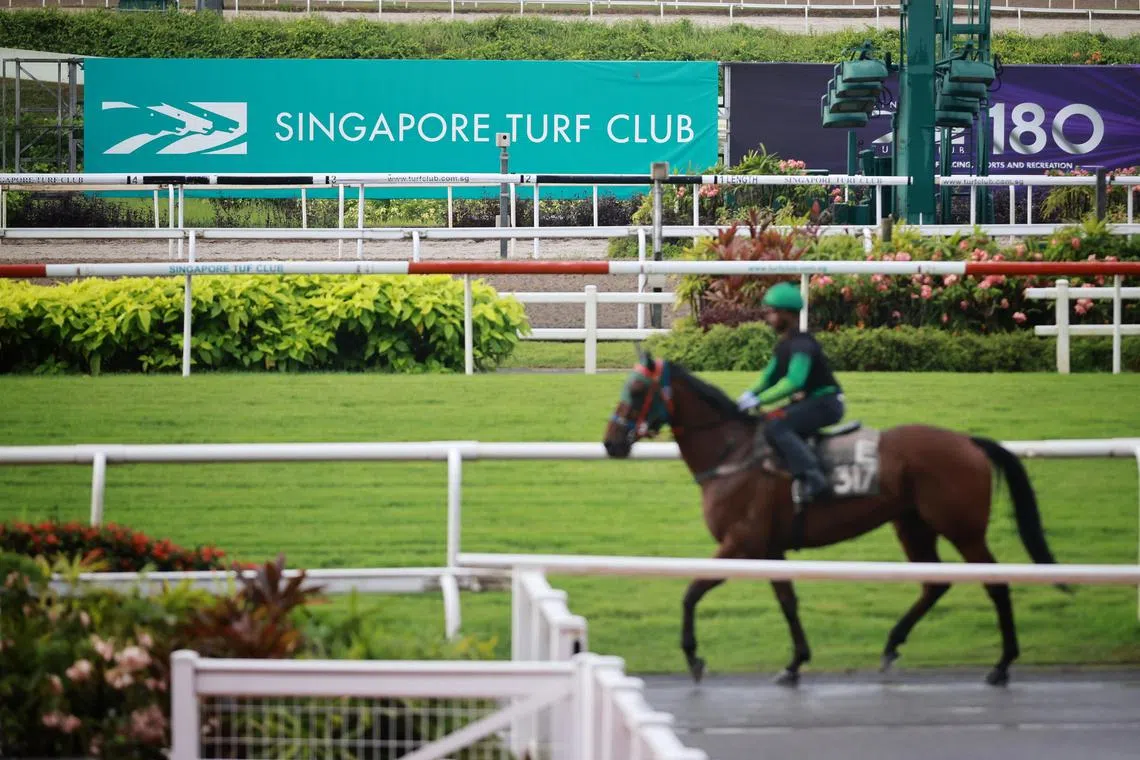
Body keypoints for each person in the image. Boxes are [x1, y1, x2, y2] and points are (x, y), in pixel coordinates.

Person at [736, 281, 845, 505]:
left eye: (772, 311)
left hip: (826, 403)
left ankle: (815, 478)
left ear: (787, 314)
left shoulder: (802, 344)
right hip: (812, 402)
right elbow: (768, 377)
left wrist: (759, 399)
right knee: (766, 421)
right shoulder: (785, 344)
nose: (768, 316)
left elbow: (794, 382)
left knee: (775, 424)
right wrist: (747, 395)